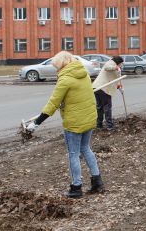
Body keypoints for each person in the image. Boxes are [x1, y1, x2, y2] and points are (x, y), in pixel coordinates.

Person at [26, 51, 103, 198]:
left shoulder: (65, 80)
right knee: (86, 149)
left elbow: (52, 103)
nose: (56, 69)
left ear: (62, 64)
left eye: (57, 66)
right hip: (89, 118)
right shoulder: (84, 74)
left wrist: (36, 123)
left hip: (74, 123)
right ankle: (97, 182)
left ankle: (76, 188)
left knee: (73, 154)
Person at [92, 56, 124, 131]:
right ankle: (109, 126)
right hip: (103, 88)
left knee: (100, 107)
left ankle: (99, 124)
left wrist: (118, 85)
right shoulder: (110, 63)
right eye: (121, 64)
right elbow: (107, 68)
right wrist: (116, 68)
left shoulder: (112, 65)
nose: (120, 65)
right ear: (118, 62)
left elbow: (112, 77)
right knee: (107, 107)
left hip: (97, 87)